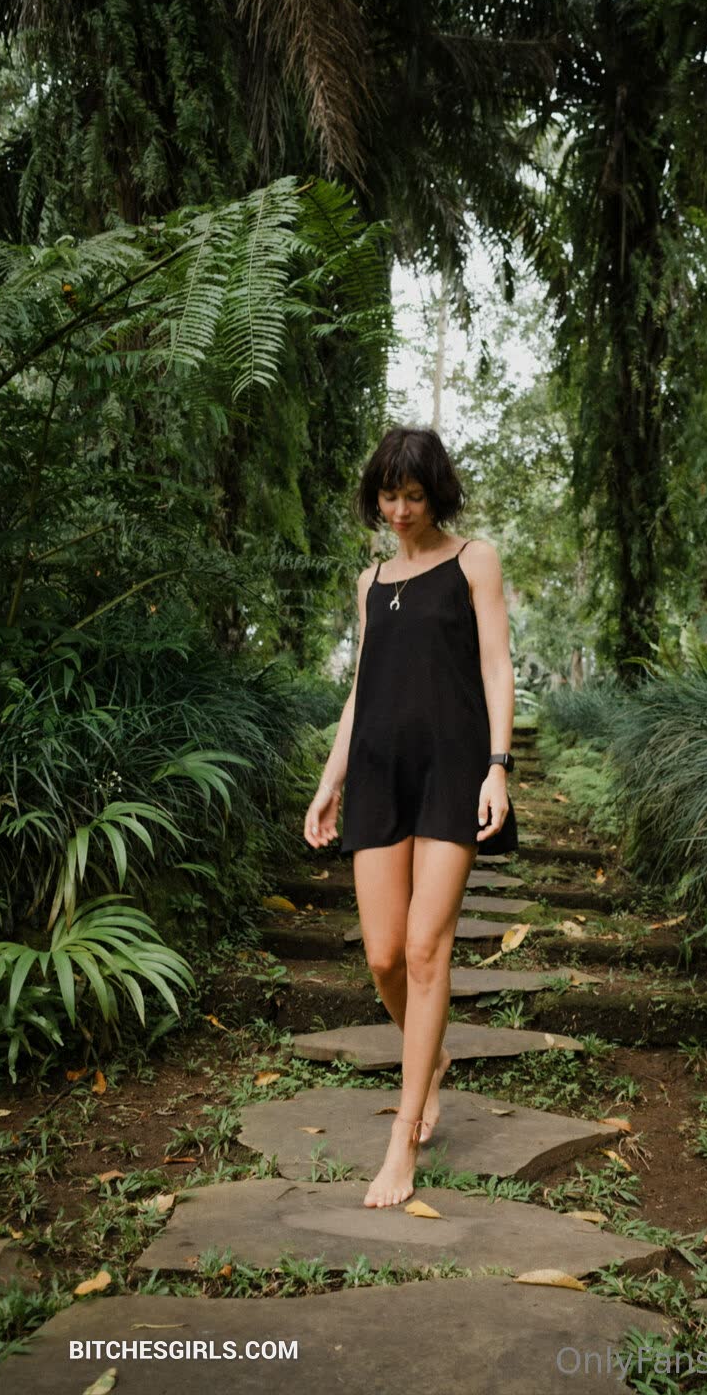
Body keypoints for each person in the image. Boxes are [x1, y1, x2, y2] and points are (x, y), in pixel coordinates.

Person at [304, 426, 518, 1210]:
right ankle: (432, 1057)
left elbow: (496, 664)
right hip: (378, 773)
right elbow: (362, 689)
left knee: (427, 949)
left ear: (437, 494)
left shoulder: (474, 561)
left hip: (454, 769)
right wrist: (329, 781)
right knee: (384, 957)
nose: (400, 510)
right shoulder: (371, 581)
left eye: (415, 496)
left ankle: (404, 1135)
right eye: (390, 496)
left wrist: (499, 766)